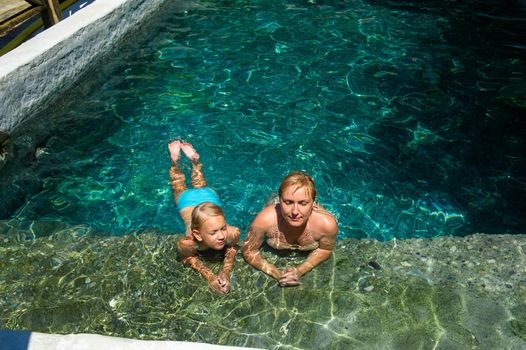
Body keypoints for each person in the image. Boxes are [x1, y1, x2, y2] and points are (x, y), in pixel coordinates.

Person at [242, 171, 338, 287]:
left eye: (303, 203)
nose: (295, 212)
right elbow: (248, 250)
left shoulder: (326, 225)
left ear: (313, 202)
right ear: (280, 199)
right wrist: (276, 273)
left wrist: (299, 270)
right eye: (288, 202)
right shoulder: (264, 221)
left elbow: (325, 249)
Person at [168, 140, 240, 294]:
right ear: (197, 234)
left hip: (207, 199)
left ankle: (177, 161)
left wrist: (226, 271)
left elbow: (233, 247)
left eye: (223, 228)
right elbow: (186, 258)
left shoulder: (232, 233)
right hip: (188, 201)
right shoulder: (189, 243)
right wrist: (209, 276)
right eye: (213, 233)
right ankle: (189, 161)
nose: (221, 236)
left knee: (178, 182)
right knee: (187, 184)